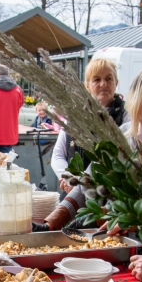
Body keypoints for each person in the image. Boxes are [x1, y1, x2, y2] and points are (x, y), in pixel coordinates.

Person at [41, 67, 142, 237]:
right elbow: (89, 180)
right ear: (141, 103)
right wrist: (52, 221)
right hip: (112, 240)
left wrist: (124, 217)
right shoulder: (123, 135)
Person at [51, 59, 127, 194]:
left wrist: (82, 182)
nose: (103, 84)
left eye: (108, 78)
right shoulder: (75, 115)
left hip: (111, 195)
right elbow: (58, 154)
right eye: (97, 79)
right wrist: (68, 178)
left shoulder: (126, 115)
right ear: (87, 86)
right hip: (73, 193)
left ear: (116, 82)